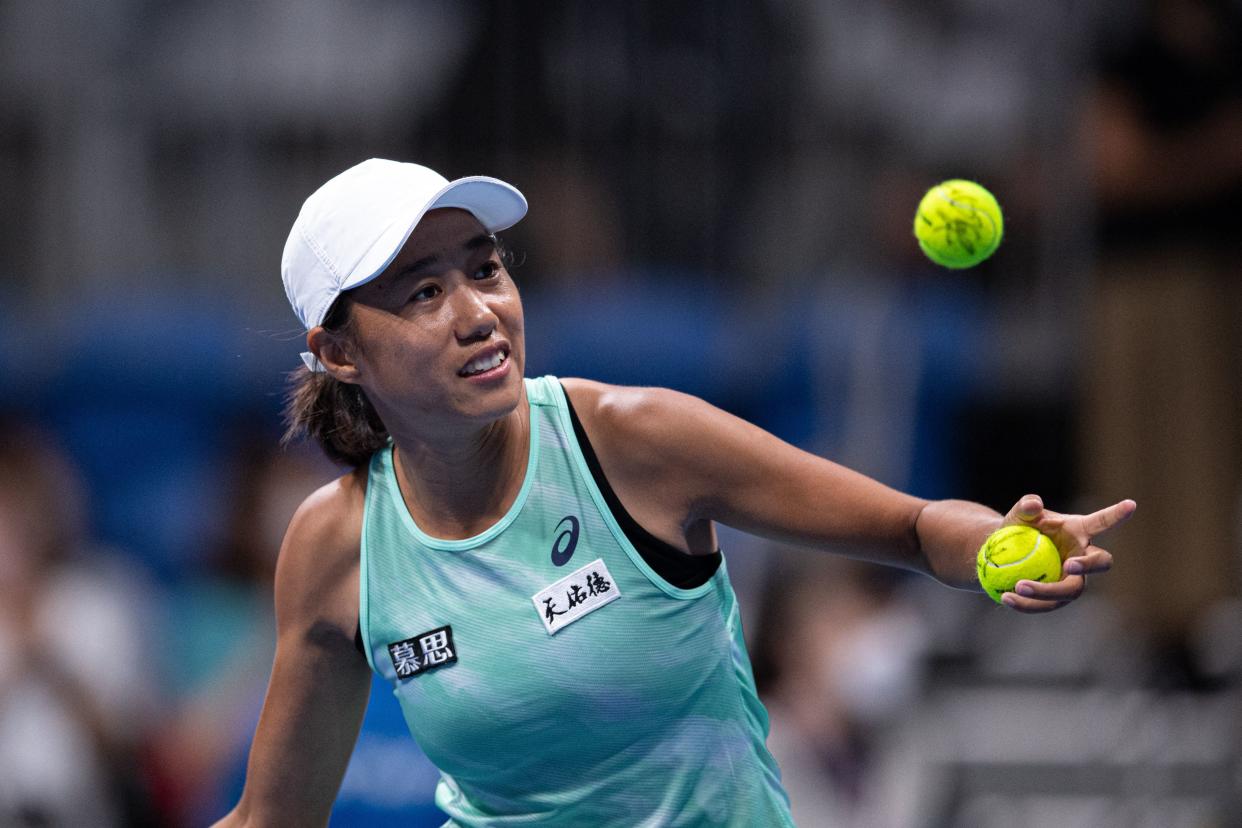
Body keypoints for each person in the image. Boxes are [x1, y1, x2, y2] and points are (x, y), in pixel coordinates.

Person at [215, 158, 1134, 827]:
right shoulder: (335, 545)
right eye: (422, 293)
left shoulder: (636, 441)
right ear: (337, 352)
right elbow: (271, 819)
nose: (478, 312)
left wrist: (985, 546)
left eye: (485, 268)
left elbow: (914, 525)